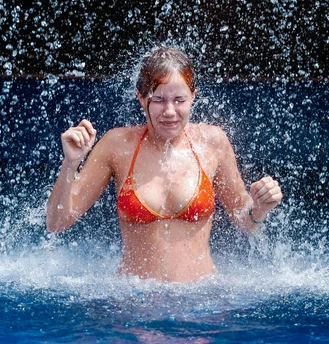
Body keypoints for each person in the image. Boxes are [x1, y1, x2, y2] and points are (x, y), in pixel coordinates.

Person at [46, 46, 283, 283]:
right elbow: (57, 223)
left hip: (200, 300)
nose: (170, 111)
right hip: (135, 302)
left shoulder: (213, 143)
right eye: (158, 99)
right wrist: (70, 164)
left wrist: (260, 207)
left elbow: (245, 220)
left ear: (193, 97)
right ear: (141, 98)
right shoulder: (117, 146)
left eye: (179, 99)